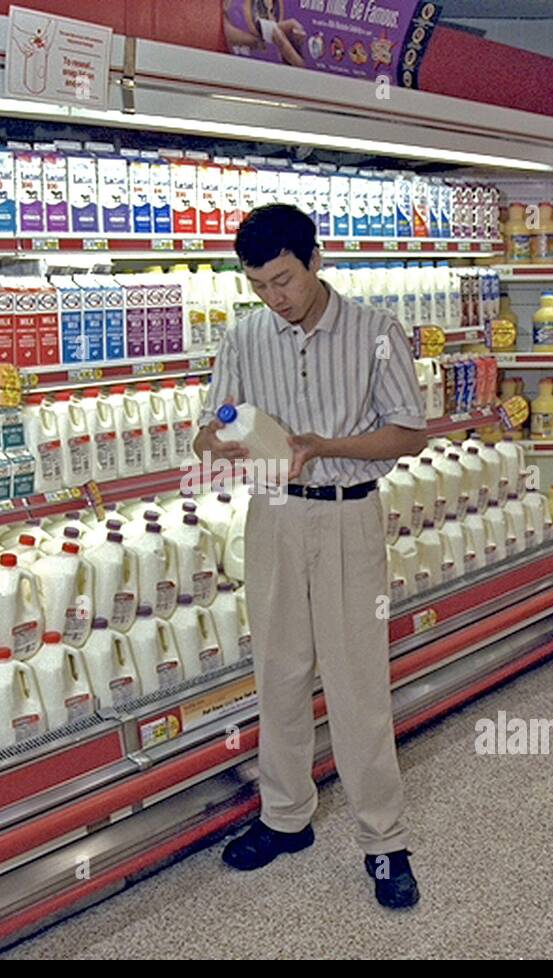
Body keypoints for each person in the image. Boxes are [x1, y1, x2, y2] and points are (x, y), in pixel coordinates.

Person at [193, 203, 427, 909]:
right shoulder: (244, 337)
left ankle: (383, 841)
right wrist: (235, 438)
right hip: (273, 518)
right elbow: (207, 433)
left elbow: (408, 434)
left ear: (315, 260)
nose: (276, 298)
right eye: (260, 285)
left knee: (357, 682)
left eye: (285, 280)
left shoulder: (375, 332)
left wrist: (322, 446)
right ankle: (284, 816)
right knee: (279, 673)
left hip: (348, 515)